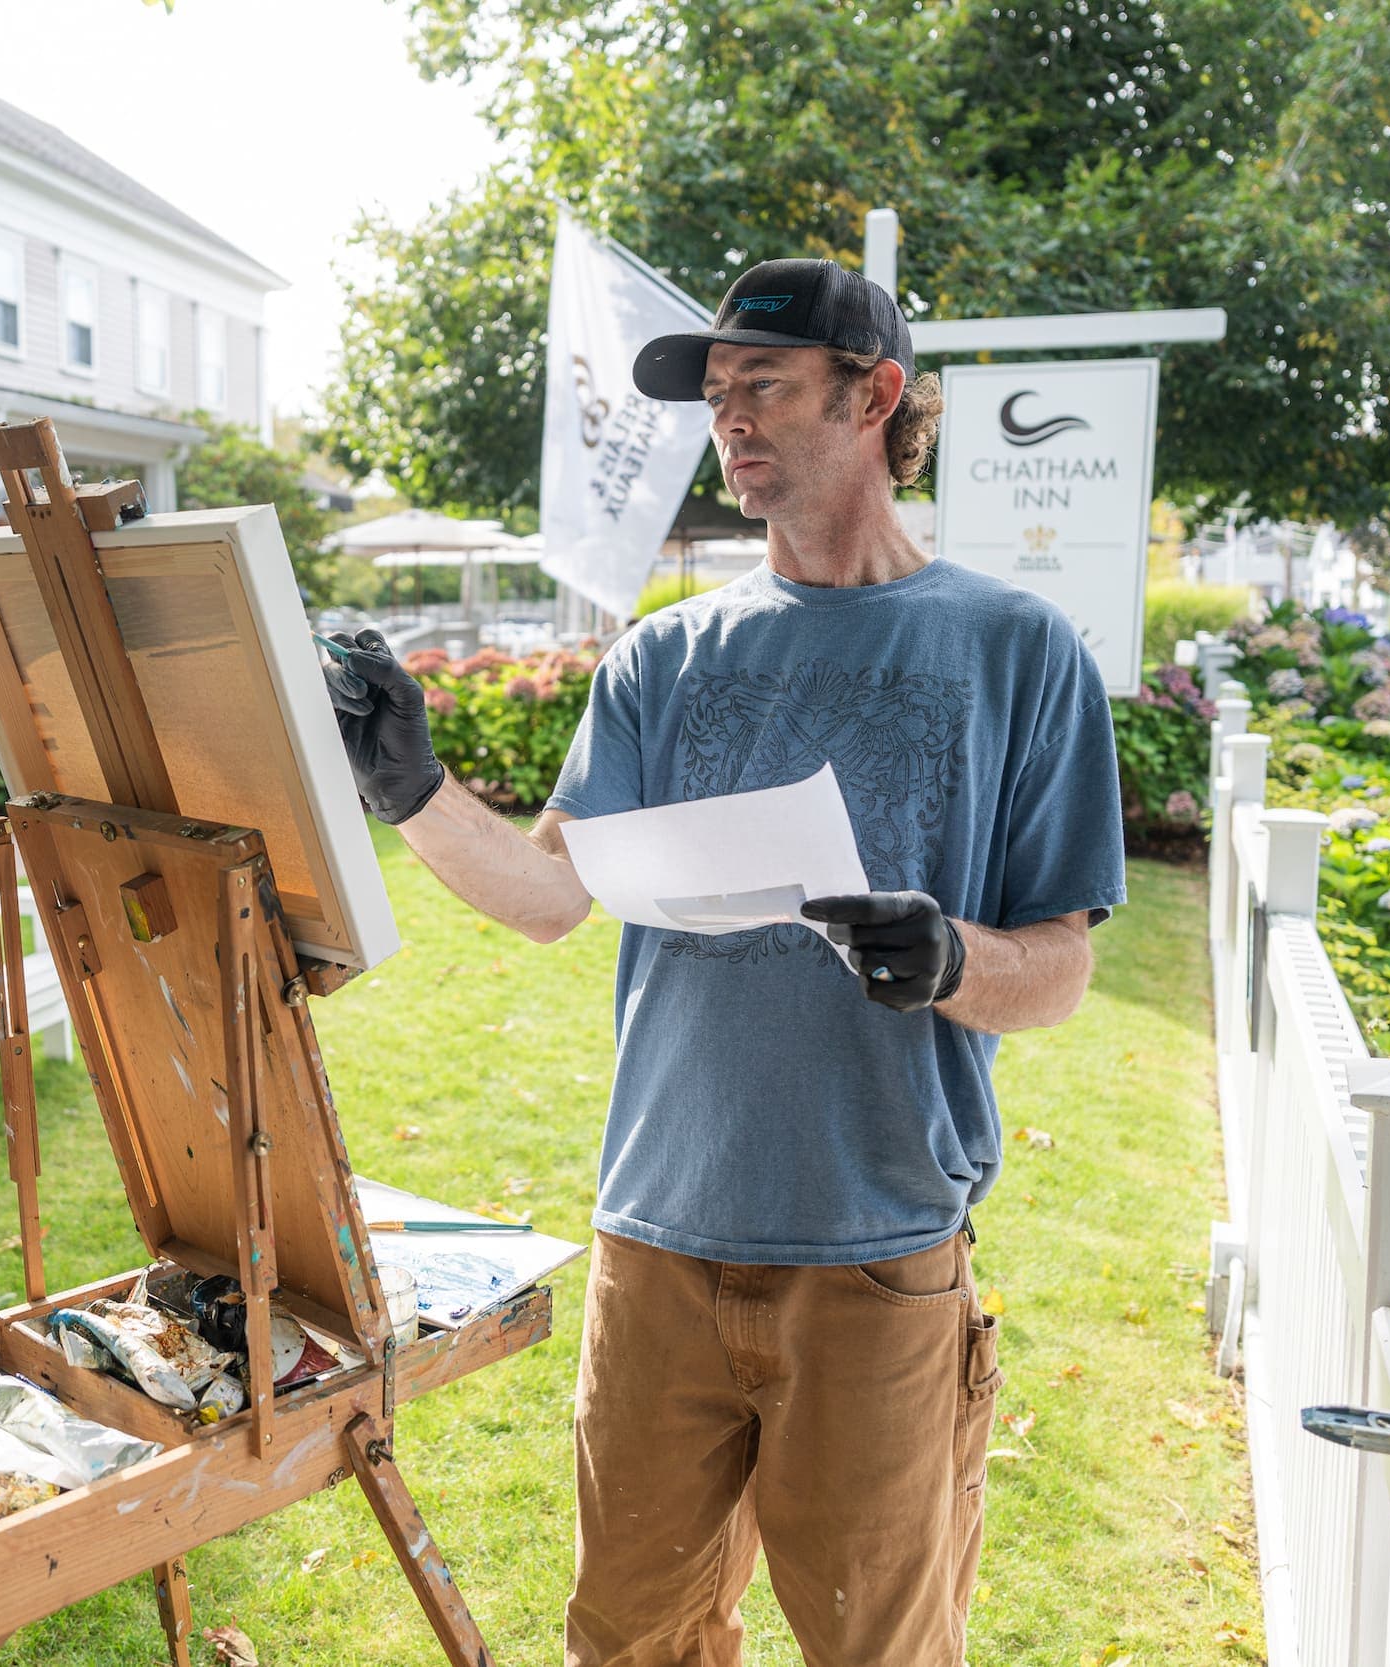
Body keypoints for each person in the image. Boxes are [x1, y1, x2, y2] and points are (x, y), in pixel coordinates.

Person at [323, 258, 1124, 1667]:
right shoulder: (665, 657)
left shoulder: (1018, 650)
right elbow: (550, 895)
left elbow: (1059, 966)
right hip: (657, 1246)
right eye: (714, 397)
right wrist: (413, 785)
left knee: (876, 1646)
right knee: (627, 1642)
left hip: (875, 1258)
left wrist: (949, 956)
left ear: (875, 395)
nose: (729, 422)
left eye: (763, 385)